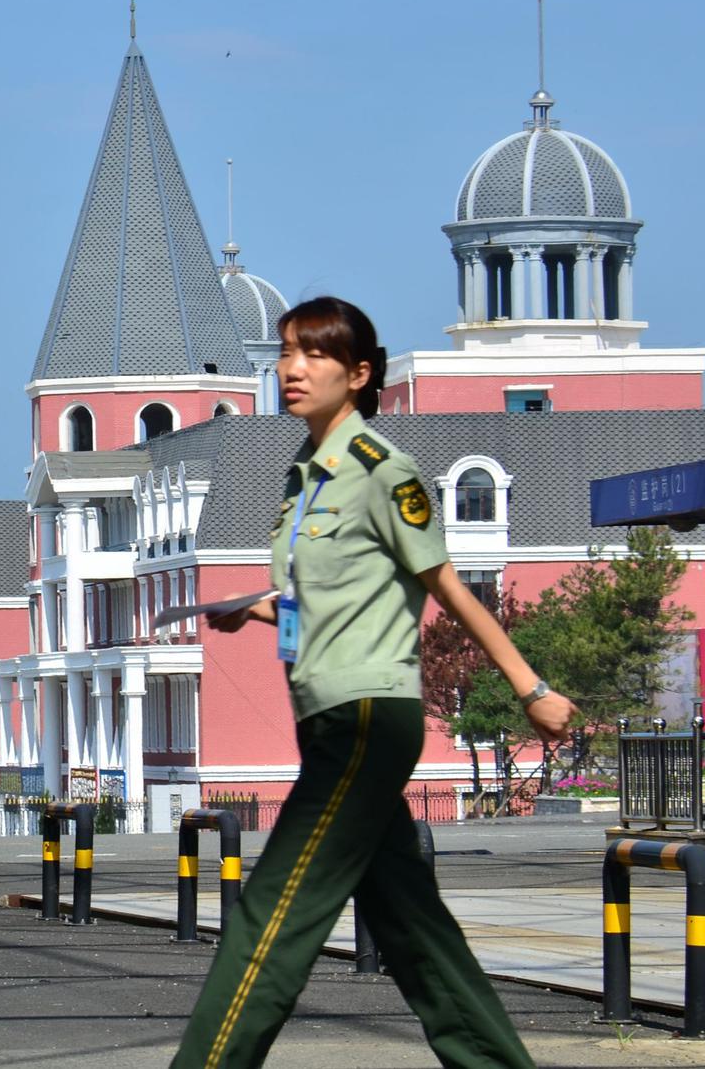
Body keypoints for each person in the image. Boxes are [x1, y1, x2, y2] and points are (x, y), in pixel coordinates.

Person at [173, 296, 575, 1069]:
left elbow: (451, 590)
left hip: (365, 715)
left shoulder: (384, 473)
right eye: (287, 351)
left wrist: (532, 690)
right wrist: (250, 611)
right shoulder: (301, 483)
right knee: (409, 921)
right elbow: (322, 602)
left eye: (315, 355)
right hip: (326, 713)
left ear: (359, 376)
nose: (293, 368)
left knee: (273, 914)